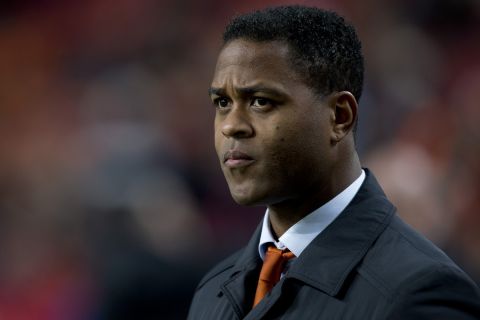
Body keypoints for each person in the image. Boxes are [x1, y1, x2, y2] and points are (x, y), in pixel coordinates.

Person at [188, 5, 480, 319]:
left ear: (340, 116)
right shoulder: (213, 289)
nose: (231, 125)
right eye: (222, 102)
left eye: (261, 101)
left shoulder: (421, 292)